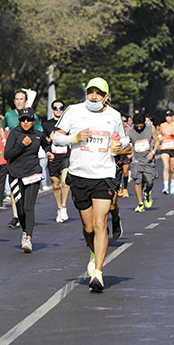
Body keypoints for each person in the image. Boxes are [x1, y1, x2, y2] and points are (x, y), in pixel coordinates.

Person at [52, 77, 129, 292]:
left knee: (100, 222)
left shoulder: (114, 116)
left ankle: (98, 271)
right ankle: (93, 251)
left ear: (106, 97)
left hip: (104, 175)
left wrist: (118, 146)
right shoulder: (74, 111)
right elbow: (56, 139)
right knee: (88, 228)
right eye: (90, 92)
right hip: (79, 175)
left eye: (98, 93)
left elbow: (125, 140)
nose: (93, 97)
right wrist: (74, 137)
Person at [4, 108, 52, 252]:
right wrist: (21, 145)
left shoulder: (38, 134)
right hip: (16, 175)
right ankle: (24, 230)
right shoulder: (14, 134)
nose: (25, 122)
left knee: (28, 207)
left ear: (33, 121)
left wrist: (49, 152)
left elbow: (46, 144)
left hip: (33, 173)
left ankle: (28, 238)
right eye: (23, 119)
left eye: (28, 120)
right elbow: (7, 155)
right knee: (20, 210)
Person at [2, 90, 43, 229]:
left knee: (27, 200)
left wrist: (47, 148)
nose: (19, 101)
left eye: (22, 99)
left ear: (26, 101)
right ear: (14, 101)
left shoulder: (33, 116)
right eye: (17, 99)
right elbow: (2, 128)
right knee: (17, 191)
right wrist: (4, 140)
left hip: (29, 157)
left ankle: (23, 220)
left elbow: (40, 132)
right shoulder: (9, 115)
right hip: (14, 153)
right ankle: (16, 215)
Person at [43, 100, 71, 223]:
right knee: (55, 185)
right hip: (53, 157)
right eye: (56, 108)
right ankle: (59, 207)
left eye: (60, 108)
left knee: (65, 182)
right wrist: (49, 141)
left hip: (65, 155)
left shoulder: (68, 123)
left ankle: (64, 206)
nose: (58, 110)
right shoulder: (47, 124)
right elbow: (43, 141)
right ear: (52, 109)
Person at [128, 113, 159, 212]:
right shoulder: (130, 131)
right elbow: (127, 143)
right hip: (136, 160)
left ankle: (147, 193)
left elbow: (157, 141)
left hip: (148, 159)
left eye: (141, 126)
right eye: (138, 126)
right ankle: (140, 203)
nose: (140, 128)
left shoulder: (151, 128)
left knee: (150, 181)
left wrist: (153, 152)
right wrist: (129, 152)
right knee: (137, 181)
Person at [159, 110, 174, 194]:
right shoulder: (162, 125)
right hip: (164, 147)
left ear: (173, 117)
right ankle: (165, 186)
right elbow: (160, 134)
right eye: (167, 116)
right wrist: (160, 137)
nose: (168, 118)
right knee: (166, 167)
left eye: (170, 116)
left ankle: (172, 184)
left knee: (172, 169)